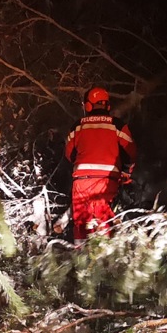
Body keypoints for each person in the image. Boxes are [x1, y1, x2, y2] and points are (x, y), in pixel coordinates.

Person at [64, 86, 137, 240]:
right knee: (106, 222)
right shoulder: (117, 125)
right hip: (108, 182)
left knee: (82, 224)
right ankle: (106, 258)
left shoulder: (78, 126)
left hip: (82, 183)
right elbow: (131, 152)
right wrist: (125, 171)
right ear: (107, 106)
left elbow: (69, 154)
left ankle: (81, 256)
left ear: (88, 105)